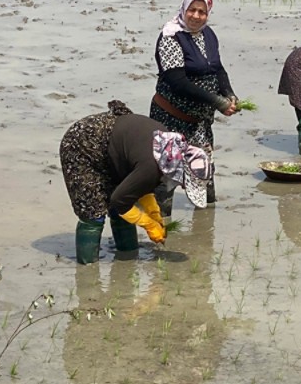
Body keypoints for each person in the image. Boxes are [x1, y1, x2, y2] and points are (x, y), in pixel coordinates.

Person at [59, 100, 212, 264]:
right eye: (185, 183)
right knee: (93, 213)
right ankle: (87, 269)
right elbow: (119, 201)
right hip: (83, 145)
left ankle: (127, 256)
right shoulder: (152, 166)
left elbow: (140, 185)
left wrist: (154, 213)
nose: (182, 186)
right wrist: (149, 225)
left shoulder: (170, 152)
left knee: (124, 204)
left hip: (114, 148)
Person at [150, 0, 238, 209]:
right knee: (167, 173)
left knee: (203, 170)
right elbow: (177, 81)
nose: (196, 16)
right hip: (171, 118)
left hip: (199, 121)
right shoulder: (171, 37)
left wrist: (228, 93)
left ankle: (206, 225)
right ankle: (163, 226)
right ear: (184, 9)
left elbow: (217, 69)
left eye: (202, 12)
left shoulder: (208, 35)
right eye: (192, 10)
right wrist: (216, 102)